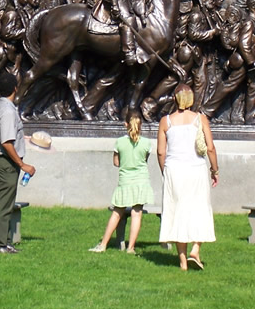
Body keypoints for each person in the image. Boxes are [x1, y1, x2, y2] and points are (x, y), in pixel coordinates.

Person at [157, 84, 219, 271]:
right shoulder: (200, 119)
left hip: (174, 169)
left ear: (175, 98)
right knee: (199, 209)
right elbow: (210, 148)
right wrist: (214, 170)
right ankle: (196, 249)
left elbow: (161, 152)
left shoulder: (165, 121)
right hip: (196, 169)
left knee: (176, 212)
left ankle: (183, 263)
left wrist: (165, 171)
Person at [0, 71, 36, 253]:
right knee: (3, 204)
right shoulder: (7, 110)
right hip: (5, 161)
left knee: (5, 202)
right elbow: (6, 142)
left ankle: (4, 241)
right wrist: (23, 165)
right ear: (15, 88)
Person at [89, 109, 153, 254]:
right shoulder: (147, 143)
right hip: (141, 181)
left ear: (125, 124)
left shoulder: (119, 142)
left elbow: (116, 162)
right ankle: (131, 248)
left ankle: (103, 245)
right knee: (137, 214)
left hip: (125, 181)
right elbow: (145, 161)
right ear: (140, 125)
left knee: (117, 212)